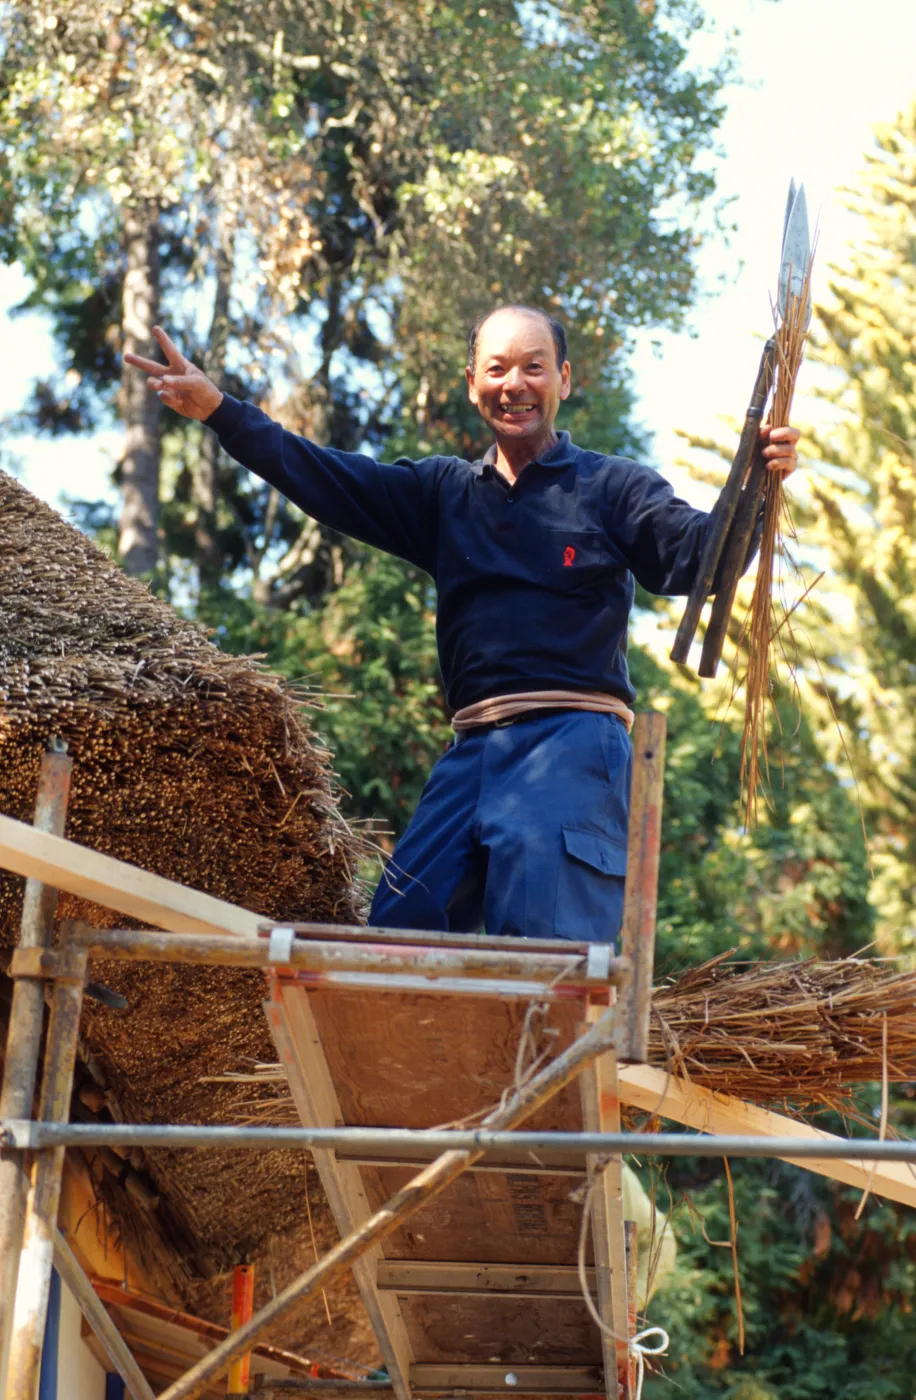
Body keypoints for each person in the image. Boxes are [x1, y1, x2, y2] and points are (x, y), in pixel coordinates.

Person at [125, 307, 799, 946]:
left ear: (564, 379)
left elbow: (697, 562)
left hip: (570, 742)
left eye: (534, 367)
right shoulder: (445, 494)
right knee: (394, 934)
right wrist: (221, 412)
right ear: (473, 382)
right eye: (498, 368)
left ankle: (544, 1068)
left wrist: (759, 491)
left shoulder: (611, 487)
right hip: (471, 752)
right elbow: (327, 479)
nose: (515, 385)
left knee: (545, 948)